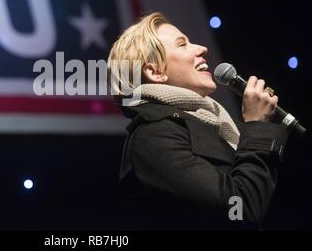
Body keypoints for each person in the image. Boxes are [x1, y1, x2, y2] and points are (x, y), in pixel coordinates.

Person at [107, 12, 290, 230]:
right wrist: (257, 126)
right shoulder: (152, 138)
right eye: (182, 44)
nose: (201, 48)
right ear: (155, 72)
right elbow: (241, 209)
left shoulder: (212, 124)